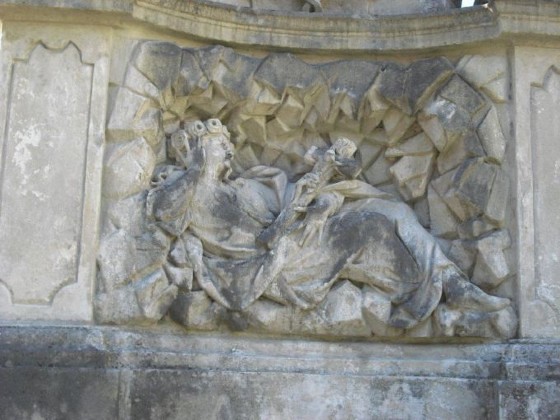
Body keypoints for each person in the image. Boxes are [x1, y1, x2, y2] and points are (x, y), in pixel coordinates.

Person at [147, 118, 510, 331]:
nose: (228, 151)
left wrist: (320, 186)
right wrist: (196, 168)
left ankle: (448, 284)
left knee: (392, 212)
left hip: (291, 243)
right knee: (369, 228)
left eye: (227, 144)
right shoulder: (188, 194)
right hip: (274, 264)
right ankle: (430, 298)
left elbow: (278, 221)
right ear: (197, 151)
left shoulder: (242, 188)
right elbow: (165, 212)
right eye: (218, 145)